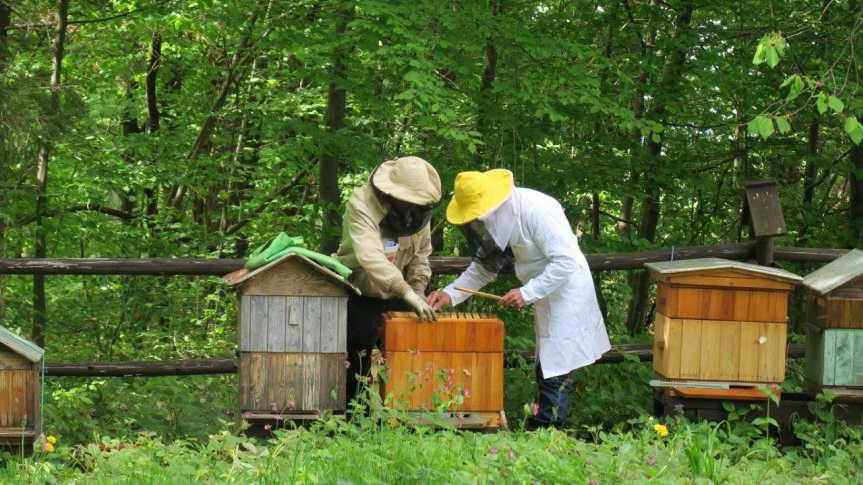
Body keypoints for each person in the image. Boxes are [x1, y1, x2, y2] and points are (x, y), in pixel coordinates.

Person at [427, 169, 610, 429]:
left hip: (567, 294)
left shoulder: (536, 210)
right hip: (545, 295)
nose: (476, 222)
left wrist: (526, 293)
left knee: (556, 368)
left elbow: (566, 261)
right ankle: (544, 430)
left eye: (477, 216)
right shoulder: (497, 219)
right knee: (548, 365)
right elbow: (484, 268)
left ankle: (547, 430)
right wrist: (449, 293)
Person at [335, 156, 440, 402]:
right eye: (408, 200)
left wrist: (418, 290)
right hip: (359, 291)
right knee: (356, 362)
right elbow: (370, 256)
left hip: (401, 294)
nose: (412, 206)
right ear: (391, 193)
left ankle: (398, 415)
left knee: (406, 359)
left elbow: (421, 256)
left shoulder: (420, 213)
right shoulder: (361, 203)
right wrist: (408, 292)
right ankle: (353, 417)